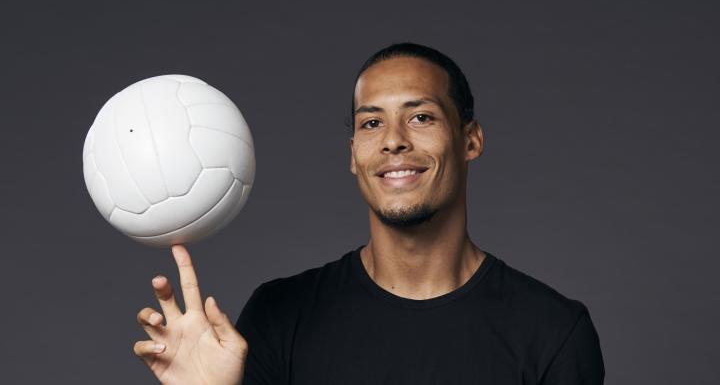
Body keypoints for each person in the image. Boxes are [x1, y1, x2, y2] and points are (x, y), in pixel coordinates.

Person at [133, 43, 605, 384]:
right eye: (372, 122)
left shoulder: (552, 332)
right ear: (353, 155)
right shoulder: (281, 315)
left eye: (421, 117)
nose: (393, 140)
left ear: (470, 140)